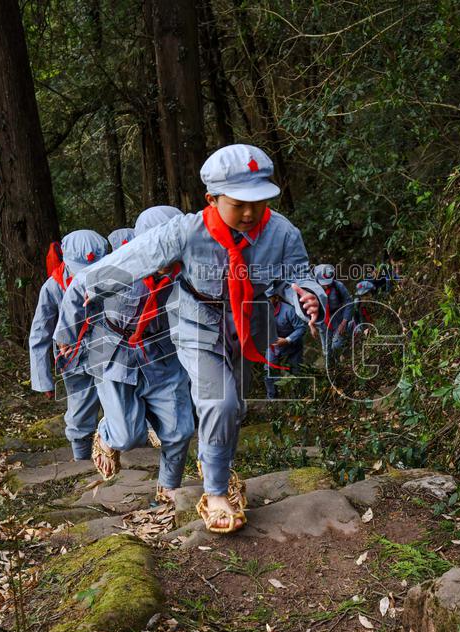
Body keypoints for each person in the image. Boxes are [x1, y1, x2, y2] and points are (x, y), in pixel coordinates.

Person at [65, 144, 325, 534]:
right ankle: (216, 491)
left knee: (234, 408)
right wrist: (93, 286)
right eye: (240, 204)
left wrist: (307, 295)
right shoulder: (187, 231)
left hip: (248, 326)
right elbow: (137, 258)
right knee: (218, 402)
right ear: (213, 199)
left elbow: (297, 275)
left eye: (259, 202)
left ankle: (211, 457)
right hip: (196, 325)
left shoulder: (281, 232)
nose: (251, 213)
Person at [55, 206, 194, 504]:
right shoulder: (121, 265)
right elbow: (79, 286)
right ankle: (107, 435)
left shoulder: (190, 272)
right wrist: (66, 336)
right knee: (127, 436)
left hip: (162, 354)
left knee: (180, 429)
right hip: (112, 350)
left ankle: (167, 489)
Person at [28, 229, 108, 460]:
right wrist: (43, 379)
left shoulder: (112, 278)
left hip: (107, 350)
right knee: (81, 406)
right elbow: (39, 333)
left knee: (119, 401)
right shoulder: (52, 288)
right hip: (73, 355)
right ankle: (81, 457)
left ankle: (122, 451)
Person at [263, 284, 307, 399]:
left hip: (292, 346)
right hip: (273, 347)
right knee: (268, 371)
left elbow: (301, 328)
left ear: (276, 298)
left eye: (268, 299)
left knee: (295, 372)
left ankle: (298, 398)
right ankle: (272, 398)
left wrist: (288, 340)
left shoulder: (289, 311)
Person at [313, 263, 352, 362]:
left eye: (328, 282)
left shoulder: (338, 286)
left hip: (337, 320)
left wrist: (344, 322)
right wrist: (311, 325)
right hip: (323, 325)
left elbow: (349, 302)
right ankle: (332, 371)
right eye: (323, 283)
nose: (326, 285)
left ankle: (344, 359)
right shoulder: (313, 290)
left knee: (336, 346)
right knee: (326, 352)